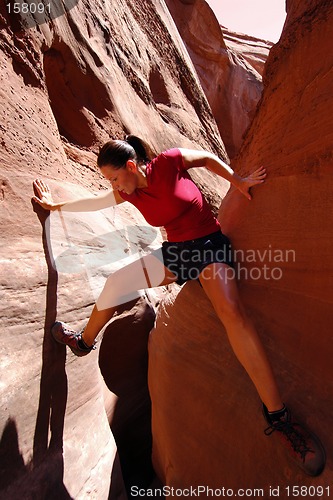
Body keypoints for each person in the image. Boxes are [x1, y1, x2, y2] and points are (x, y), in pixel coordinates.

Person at [33, 135, 325, 476]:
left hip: (209, 245)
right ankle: (83, 342)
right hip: (177, 254)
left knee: (231, 313)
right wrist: (57, 206)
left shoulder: (168, 162)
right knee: (115, 284)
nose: (112, 186)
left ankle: (280, 419)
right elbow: (95, 202)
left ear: (131, 166)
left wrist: (237, 180)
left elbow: (203, 158)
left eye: (113, 177)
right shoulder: (128, 192)